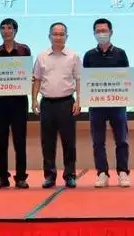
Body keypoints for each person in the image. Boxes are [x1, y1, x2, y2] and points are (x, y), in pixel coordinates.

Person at [32, 22, 81, 189]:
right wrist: (34, 99)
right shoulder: (42, 56)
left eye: (61, 34)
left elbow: (79, 79)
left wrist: (79, 100)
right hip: (47, 103)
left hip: (67, 103)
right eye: (55, 34)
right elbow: (37, 79)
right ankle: (49, 176)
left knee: (69, 142)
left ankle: (70, 175)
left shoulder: (73, 56)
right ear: (49, 36)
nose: (58, 37)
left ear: (66, 36)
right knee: (48, 142)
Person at [83, 18, 132, 188]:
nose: (101, 34)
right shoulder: (89, 55)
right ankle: (102, 173)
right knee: (98, 141)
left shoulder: (120, 53)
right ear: (94, 34)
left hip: (117, 104)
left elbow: (127, 78)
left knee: (122, 140)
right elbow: (85, 80)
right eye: (98, 31)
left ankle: (123, 172)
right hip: (96, 105)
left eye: (104, 31)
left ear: (111, 32)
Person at [0, 18, 31, 189]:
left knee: (20, 141)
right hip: (0, 101)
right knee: (1, 141)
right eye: (3, 28)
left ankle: (20, 177)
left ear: (15, 31)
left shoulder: (24, 50)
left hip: (19, 101)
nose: (6, 31)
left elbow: (27, 72)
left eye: (9, 28)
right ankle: (1, 177)